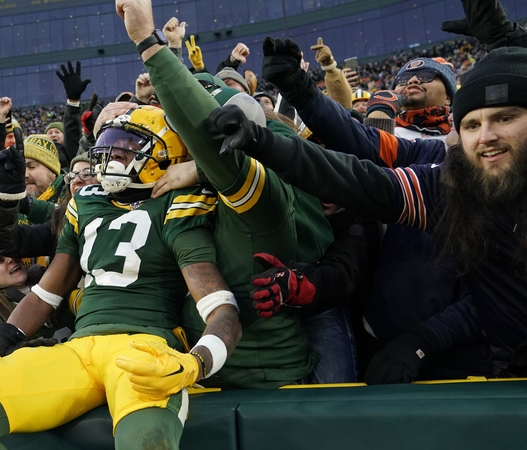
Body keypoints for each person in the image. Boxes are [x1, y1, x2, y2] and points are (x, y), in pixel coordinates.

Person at [0, 105, 242, 450]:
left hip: (144, 346)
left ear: (164, 155)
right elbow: (48, 292)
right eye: (109, 144)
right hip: (79, 348)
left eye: (126, 147)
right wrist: (12, 333)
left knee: (145, 445)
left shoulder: (178, 206)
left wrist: (196, 362)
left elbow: (221, 309)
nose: (112, 154)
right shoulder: (87, 203)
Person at [209, 44, 527, 382]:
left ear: (448, 93)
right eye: (472, 124)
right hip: (420, 344)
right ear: (458, 128)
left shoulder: (457, 168)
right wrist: (266, 139)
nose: (487, 136)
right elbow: (358, 174)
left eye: (504, 118)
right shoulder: (449, 178)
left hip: (467, 351)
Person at [126, 10, 335, 386]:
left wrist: (149, 43)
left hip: (264, 377)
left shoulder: (258, 186)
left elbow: (215, 144)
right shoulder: (176, 189)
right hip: (200, 370)